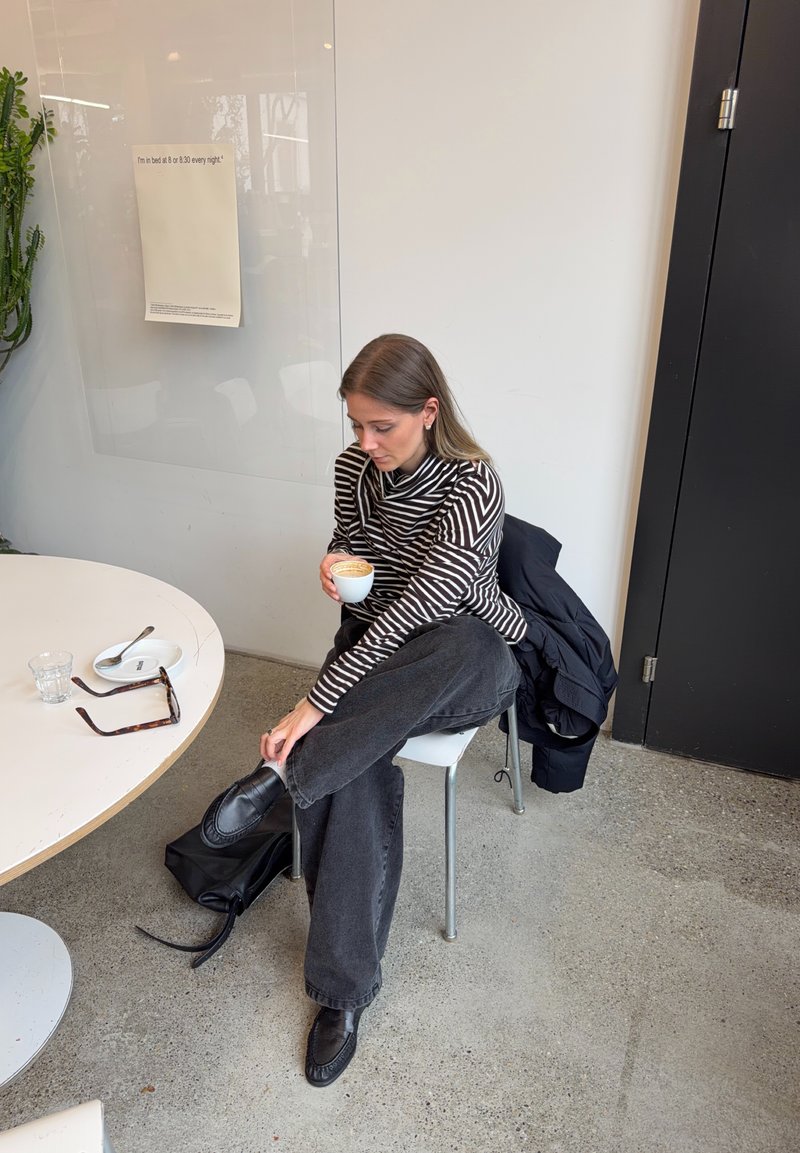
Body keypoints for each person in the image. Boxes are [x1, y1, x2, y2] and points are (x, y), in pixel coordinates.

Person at [200, 333, 526, 1087]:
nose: (366, 441)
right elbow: (360, 560)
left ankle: (284, 775)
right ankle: (343, 994)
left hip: (466, 658)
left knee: (436, 654)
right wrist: (334, 562)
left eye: (384, 426)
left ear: (429, 410)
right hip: (380, 660)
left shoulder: (473, 482)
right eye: (356, 425)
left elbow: (428, 604)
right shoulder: (354, 470)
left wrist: (315, 699)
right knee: (353, 762)